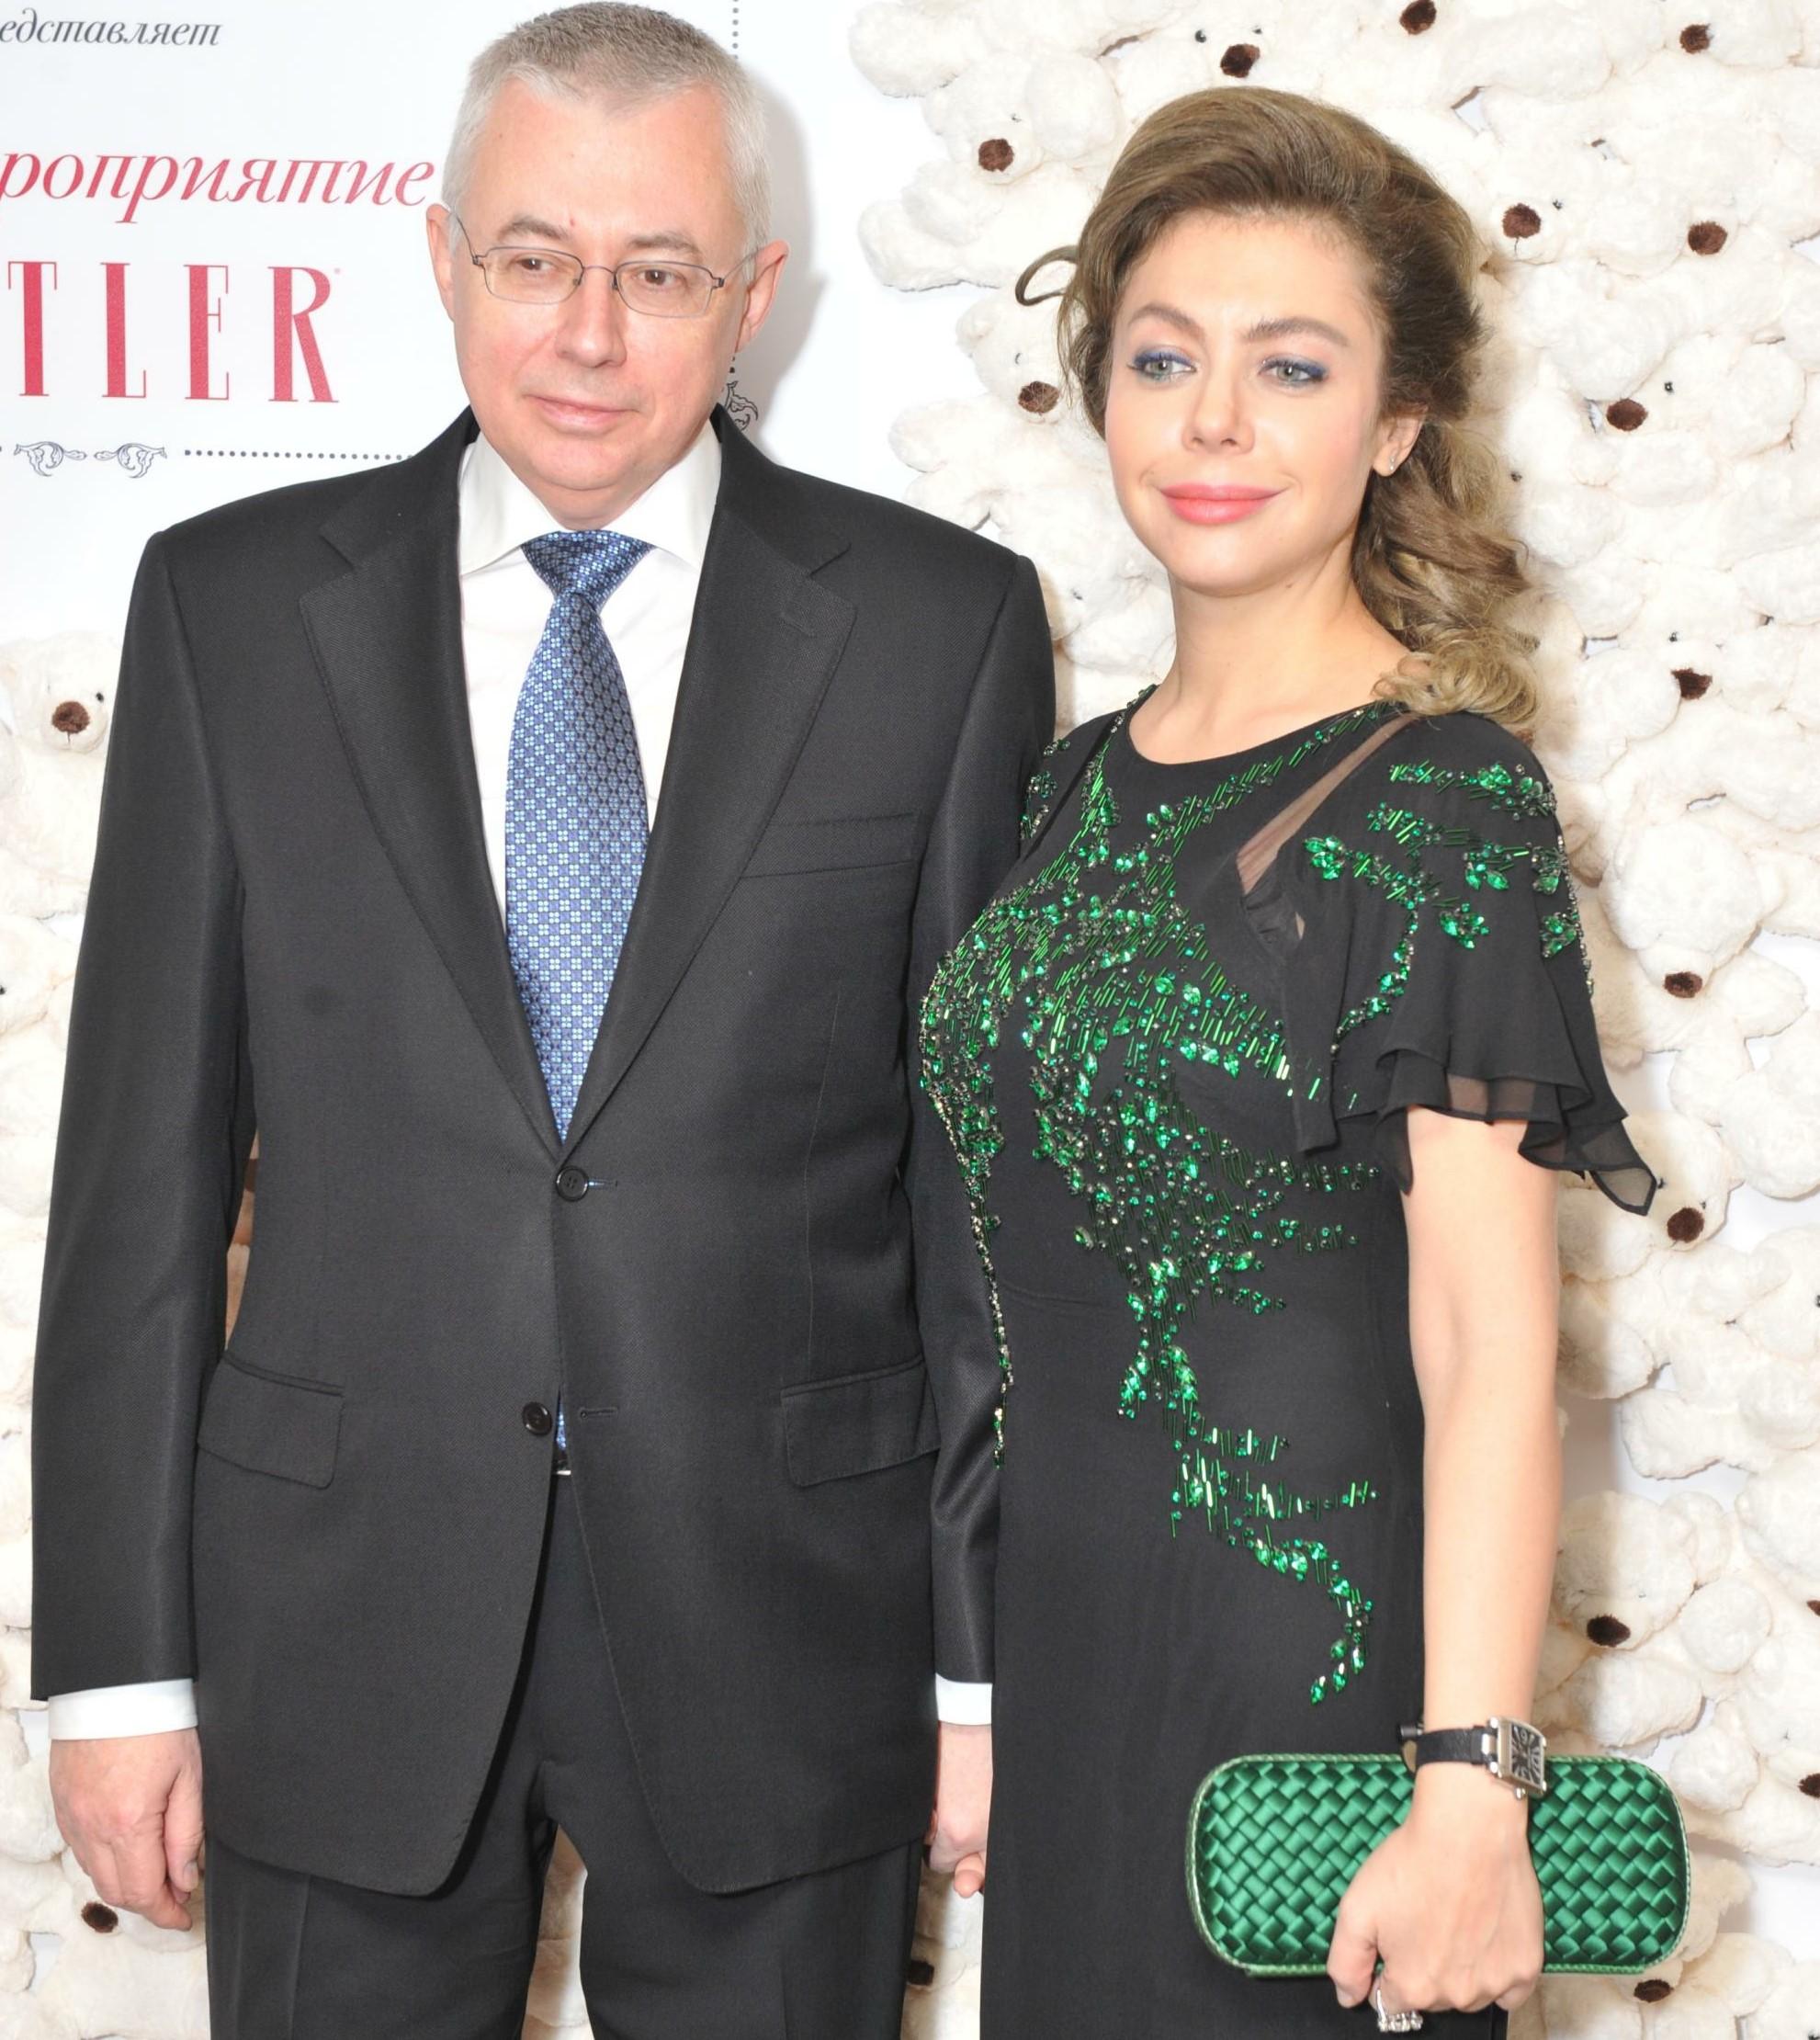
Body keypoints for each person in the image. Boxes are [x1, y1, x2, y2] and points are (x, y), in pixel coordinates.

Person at [29, 5, 1048, 2032]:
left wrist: (980, 1663)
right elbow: (137, 1179)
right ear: (441, 257)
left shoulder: (940, 627)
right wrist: (118, 1672)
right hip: (337, 1624)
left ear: (755, 293)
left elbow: (978, 1210)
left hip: (792, 1628)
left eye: (657, 272)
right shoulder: (231, 609)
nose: (588, 333)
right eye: (532, 258)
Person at [919, 85, 1657, 2038]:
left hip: (1313, 1704)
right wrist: (970, 1690)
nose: (1215, 423)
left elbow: (1486, 1341)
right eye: (1163, 359)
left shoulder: (1442, 801)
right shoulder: (1062, 790)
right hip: (1068, 1684)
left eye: (1293, 367)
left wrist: (1470, 1790)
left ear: (1396, 421)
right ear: (1100, 391)